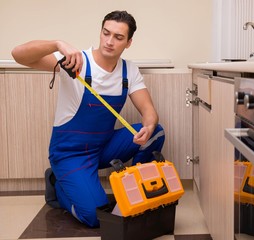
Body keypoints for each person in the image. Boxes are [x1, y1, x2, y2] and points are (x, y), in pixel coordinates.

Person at [11, 10, 165, 227]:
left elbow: (149, 111)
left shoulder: (128, 70)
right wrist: (57, 44)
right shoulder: (76, 61)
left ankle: (138, 192)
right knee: (95, 217)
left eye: (118, 37)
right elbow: (19, 55)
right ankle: (57, 184)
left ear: (128, 42)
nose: (109, 42)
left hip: (103, 147)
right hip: (70, 154)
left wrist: (148, 126)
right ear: (101, 32)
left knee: (156, 132)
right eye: (106, 33)